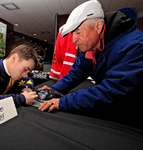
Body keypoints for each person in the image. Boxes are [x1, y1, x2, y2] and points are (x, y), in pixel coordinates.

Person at [38, 0, 143, 128]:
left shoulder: (135, 46)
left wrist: (63, 102)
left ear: (98, 27)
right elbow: (76, 73)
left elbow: (111, 91)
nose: (73, 39)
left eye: (78, 32)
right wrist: (54, 89)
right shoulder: (90, 46)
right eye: (72, 33)